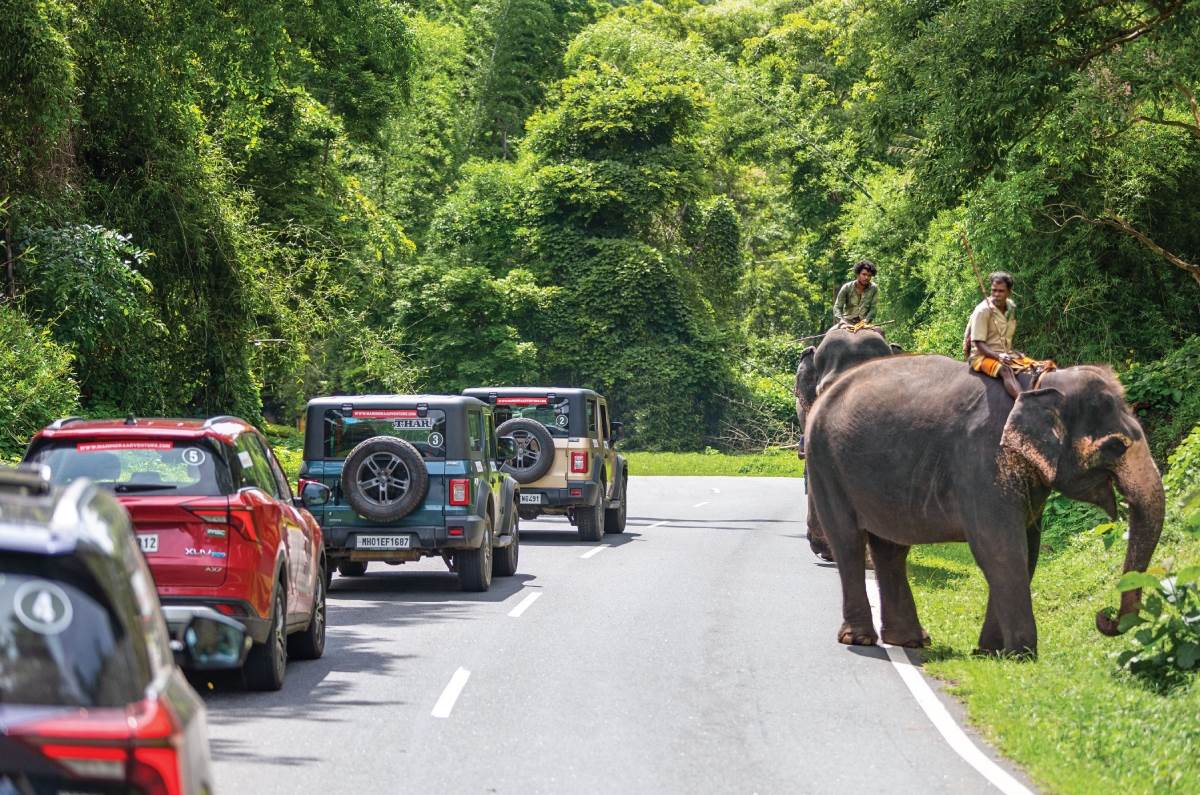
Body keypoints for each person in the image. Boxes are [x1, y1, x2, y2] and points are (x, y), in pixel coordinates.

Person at [966, 271, 1044, 399]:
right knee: (1005, 370)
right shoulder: (983, 311)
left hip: (1006, 354)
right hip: (982, 357)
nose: (996, 294)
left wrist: (1012, 352)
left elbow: (1004, 338)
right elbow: (978, 343)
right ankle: (1023, 402)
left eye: (1001, 291)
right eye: (994, 290)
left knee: (1037, 366)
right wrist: (998, 356)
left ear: (1009, 292)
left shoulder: (1010, 307)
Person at [833, 261, 878, 328]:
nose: (866, 277)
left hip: (864, 323)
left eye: (869, 275)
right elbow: (837, 307)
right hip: (846, 321)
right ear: (858, 274)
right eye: (864, 274)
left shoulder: (874, 288)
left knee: (880, 331)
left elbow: (873, 308)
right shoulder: (847, 287)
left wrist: (866, 320)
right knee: (830, 332)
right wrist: (841, 321)